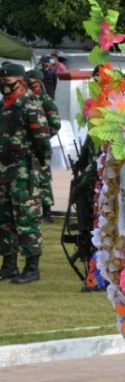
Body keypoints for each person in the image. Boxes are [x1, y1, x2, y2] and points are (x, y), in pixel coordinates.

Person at [0, 63, 49, 284]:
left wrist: (38, 164)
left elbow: (42, 140)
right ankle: (9, 265)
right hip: (3, 170)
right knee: (5, 219)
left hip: (23, 170)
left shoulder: (30, 104)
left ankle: (32, 268)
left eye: (7, 82)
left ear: (20, 81)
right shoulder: (4, 105)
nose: (3, 86)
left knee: (27, 218)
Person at [25, 69, 61, 221]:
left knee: (43, 180)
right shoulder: (25, 98)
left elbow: (55, 124)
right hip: (25, 149)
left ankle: (46, 211)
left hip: (40, 147)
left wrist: (42, 137)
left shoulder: (46, 100)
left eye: (31, 80)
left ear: (38, 82)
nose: (28, 83)